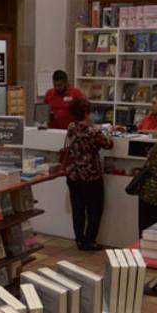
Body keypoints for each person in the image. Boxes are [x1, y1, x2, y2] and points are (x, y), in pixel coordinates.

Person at [61, 98, 112, 250]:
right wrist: (106, 131)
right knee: (94, 210)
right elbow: (108, 144)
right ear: (86, 113)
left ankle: (79, 240)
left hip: (73, 175)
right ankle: (90, 241)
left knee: (77, 210)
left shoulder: (71, 127)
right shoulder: (92, 131)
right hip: (91, 176)